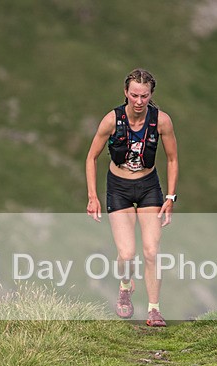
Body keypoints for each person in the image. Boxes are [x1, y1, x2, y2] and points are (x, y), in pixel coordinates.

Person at [85, 68, 179, 327]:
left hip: (149, 187)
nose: (139, 101)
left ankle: (154, 309)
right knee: (126, 254)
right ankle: (125, 285)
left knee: (151, 251)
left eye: (144, 96)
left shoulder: (161, 121)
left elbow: (172, 159)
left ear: (151, 95)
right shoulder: (111, 121)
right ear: (126, 93)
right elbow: (91, 157)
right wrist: (93, 197)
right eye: (134, 95)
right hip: (119, 188)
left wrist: (170, 197)